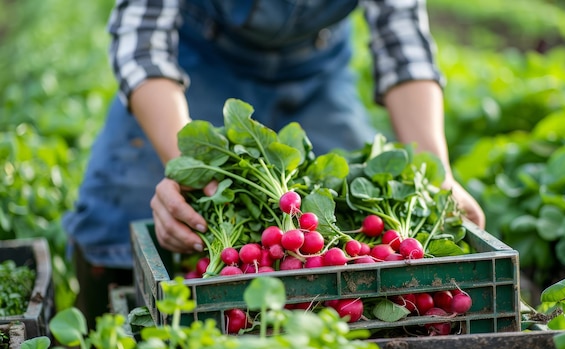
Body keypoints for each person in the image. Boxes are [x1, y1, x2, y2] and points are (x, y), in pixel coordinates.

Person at [63, 0, 485, 328]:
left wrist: (438, 172)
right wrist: (187, 165)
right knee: (120, 213)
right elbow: (142, 37)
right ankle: (101, 324)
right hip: (198, 57)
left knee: (351, 202)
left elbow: (403, 41)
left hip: (315, 68)